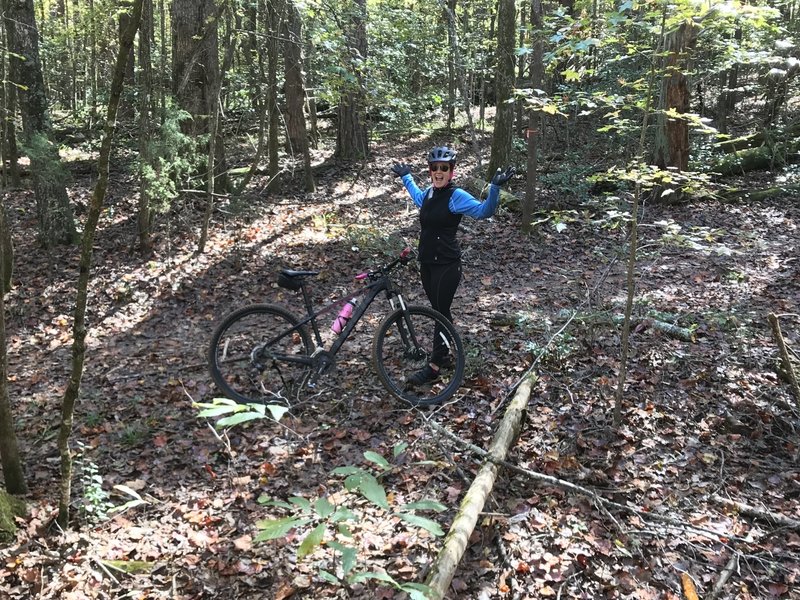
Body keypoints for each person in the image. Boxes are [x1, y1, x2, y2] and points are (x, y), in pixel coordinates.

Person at [391, 146, 515, 385]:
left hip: (447, 265)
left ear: (451, 172)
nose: (439, 172)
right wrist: (406, 176)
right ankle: (445, 353)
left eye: (444, 168)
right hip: (426, 263)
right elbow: (418, 197)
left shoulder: (456, 196)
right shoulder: (428, 193)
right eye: (434, 168)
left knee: (439, 312)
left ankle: (435, 366)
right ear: (430, 171)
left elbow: (483, 212)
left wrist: (495, 188)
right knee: (440, 310)